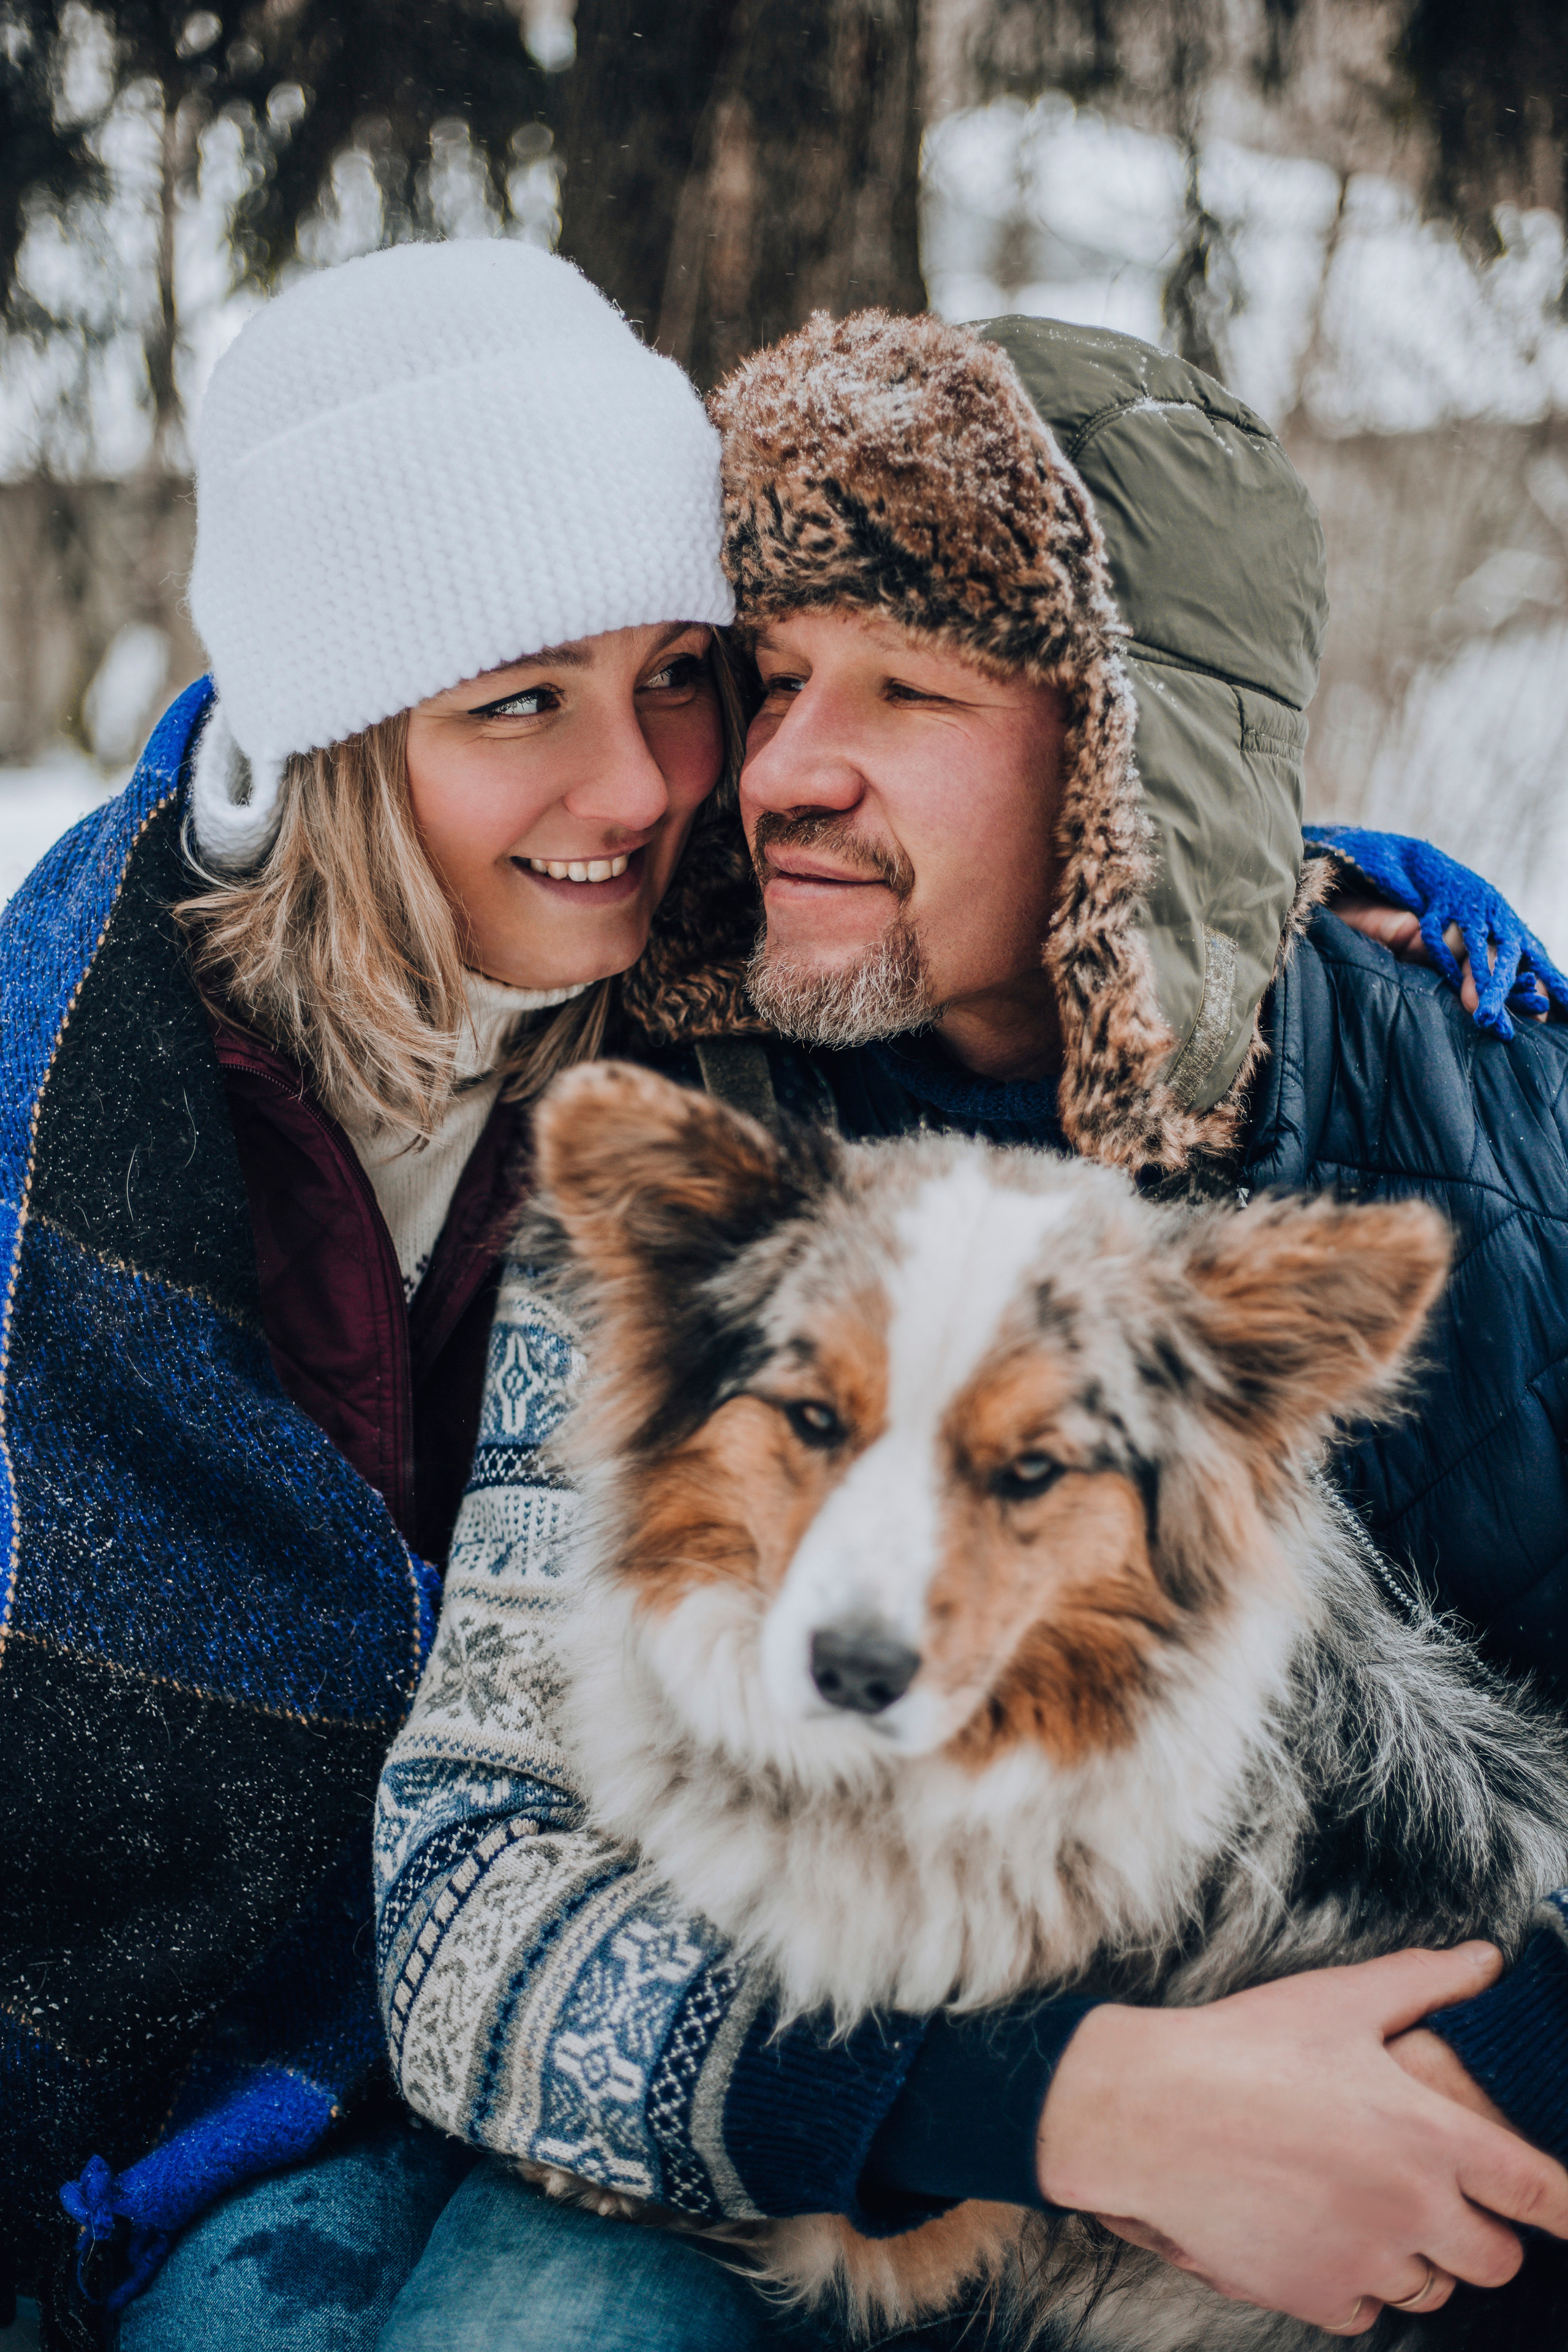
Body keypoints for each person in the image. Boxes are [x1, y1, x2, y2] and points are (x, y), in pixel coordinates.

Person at [374, 309, 1568, 2351]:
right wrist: (1072, 2109)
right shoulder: (693, 1167)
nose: (778, 772)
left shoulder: (1492, 1119)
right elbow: (464, 1892)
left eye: (907, 688)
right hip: (826, 2152)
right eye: (767, 679)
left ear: (1128, 748)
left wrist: (1475, 2103)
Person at [0, 234, 762, 2351]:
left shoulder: (705, 1018)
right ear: (336, 738)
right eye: (521, 702)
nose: (638, 785)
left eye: (673, 672)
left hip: (589, 2010)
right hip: (182, 2068)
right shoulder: (86, 1076)